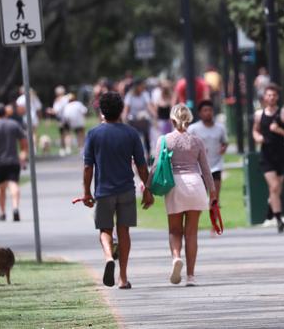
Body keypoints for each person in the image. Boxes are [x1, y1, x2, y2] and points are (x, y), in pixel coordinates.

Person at [81, 91, 152, 289]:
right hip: (126, 190)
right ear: (121, 110)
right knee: (124, 232)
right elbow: (141, 165)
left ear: (101, 111)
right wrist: (148, 189)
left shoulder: (93, 134)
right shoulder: (131, 133)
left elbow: (88, 167)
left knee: (105, 230)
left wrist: (87, 192)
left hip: (104, 191)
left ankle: (108, 256)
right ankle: (123, 278)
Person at [147, 104, 217, 286]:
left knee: (174, 230)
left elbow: (156, 167)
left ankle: (176, 257)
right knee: (191, 233)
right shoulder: (197, 141)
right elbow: (206, 169)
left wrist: (148, 188)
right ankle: (191, 276)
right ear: (190, 119)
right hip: (196, 184)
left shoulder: (164, 140)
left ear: (171, 120)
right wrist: (213, 192)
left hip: (175, 185)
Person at [252, 84, 284, 233]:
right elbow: (255, 130)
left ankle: (270, 209)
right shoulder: (259, 115)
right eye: (268, 95)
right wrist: (258, 137)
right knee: (274, 187)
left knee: (277, 188)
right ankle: (279, 220)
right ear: (264, 97)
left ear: (277, 97)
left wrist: (279, 130)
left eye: (274, 95)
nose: (271, 98)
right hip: (266, 155)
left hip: (280, 154)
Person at [187, 100, 228, 234]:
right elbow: (187, 145)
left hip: (216, 166)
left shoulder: (220, 128)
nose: (208, 113)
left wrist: (223, 149)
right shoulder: (193, 128)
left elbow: (224, 142)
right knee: (199, 199)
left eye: (209, 110)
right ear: (200, 113)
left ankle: (214, 226)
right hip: (199, 169)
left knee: (214, 198)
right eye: (205, 110)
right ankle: (194, 226)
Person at [0, 103, 28, 222]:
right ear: (6, 113)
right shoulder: (14, 125)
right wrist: (23, 153)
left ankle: (2, 212)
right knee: (13, 184)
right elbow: (24, 140)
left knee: (1, 188)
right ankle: (15, 208)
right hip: (13, 161)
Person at [122, 79, 155, 160]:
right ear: (137, 87)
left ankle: (148, 154)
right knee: (132, 137)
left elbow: (149, 106)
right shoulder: (129, 96)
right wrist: (124, 118)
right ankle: (132, 155)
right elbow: (126, 109)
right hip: (133, 119)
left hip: (143, 119)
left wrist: (154, 114)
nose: (143, 87)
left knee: (146, 135)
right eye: (141, 85)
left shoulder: (145, 94)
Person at [46, 85, 70, 156]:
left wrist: (49, 111)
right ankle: (68, 148)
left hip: (61, 118)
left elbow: (56, 110)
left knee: (62, 133)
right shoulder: (66, 98)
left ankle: (63, 148)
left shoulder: (59, 100)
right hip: (67, 117)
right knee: (67, 133)